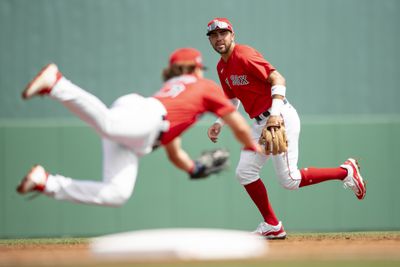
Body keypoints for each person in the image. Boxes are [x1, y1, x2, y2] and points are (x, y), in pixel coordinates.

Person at [17, 47, 262, 207]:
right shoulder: (204, 86)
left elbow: (173, 151)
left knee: (117, 193)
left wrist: (193, 167)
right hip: (148, 119)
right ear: (197, 67)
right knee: (109, 125)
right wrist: (252, 146)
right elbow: (238, 125)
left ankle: (45, 182)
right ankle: (58, 84)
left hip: (141, 125)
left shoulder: (175, 90)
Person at [205, 18, 366, 239]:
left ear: (233, 35)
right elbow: (232, 100)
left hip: (280, 117)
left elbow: (278, 78)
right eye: (213, 35)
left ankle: (346, 171)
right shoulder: (221, 67)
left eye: (223, 33)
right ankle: (272, 225)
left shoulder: (244, 54)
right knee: (245, 173)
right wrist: (219, 122)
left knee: (290, 180)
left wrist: (274, 115)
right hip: (260, 123)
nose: (218, 38)